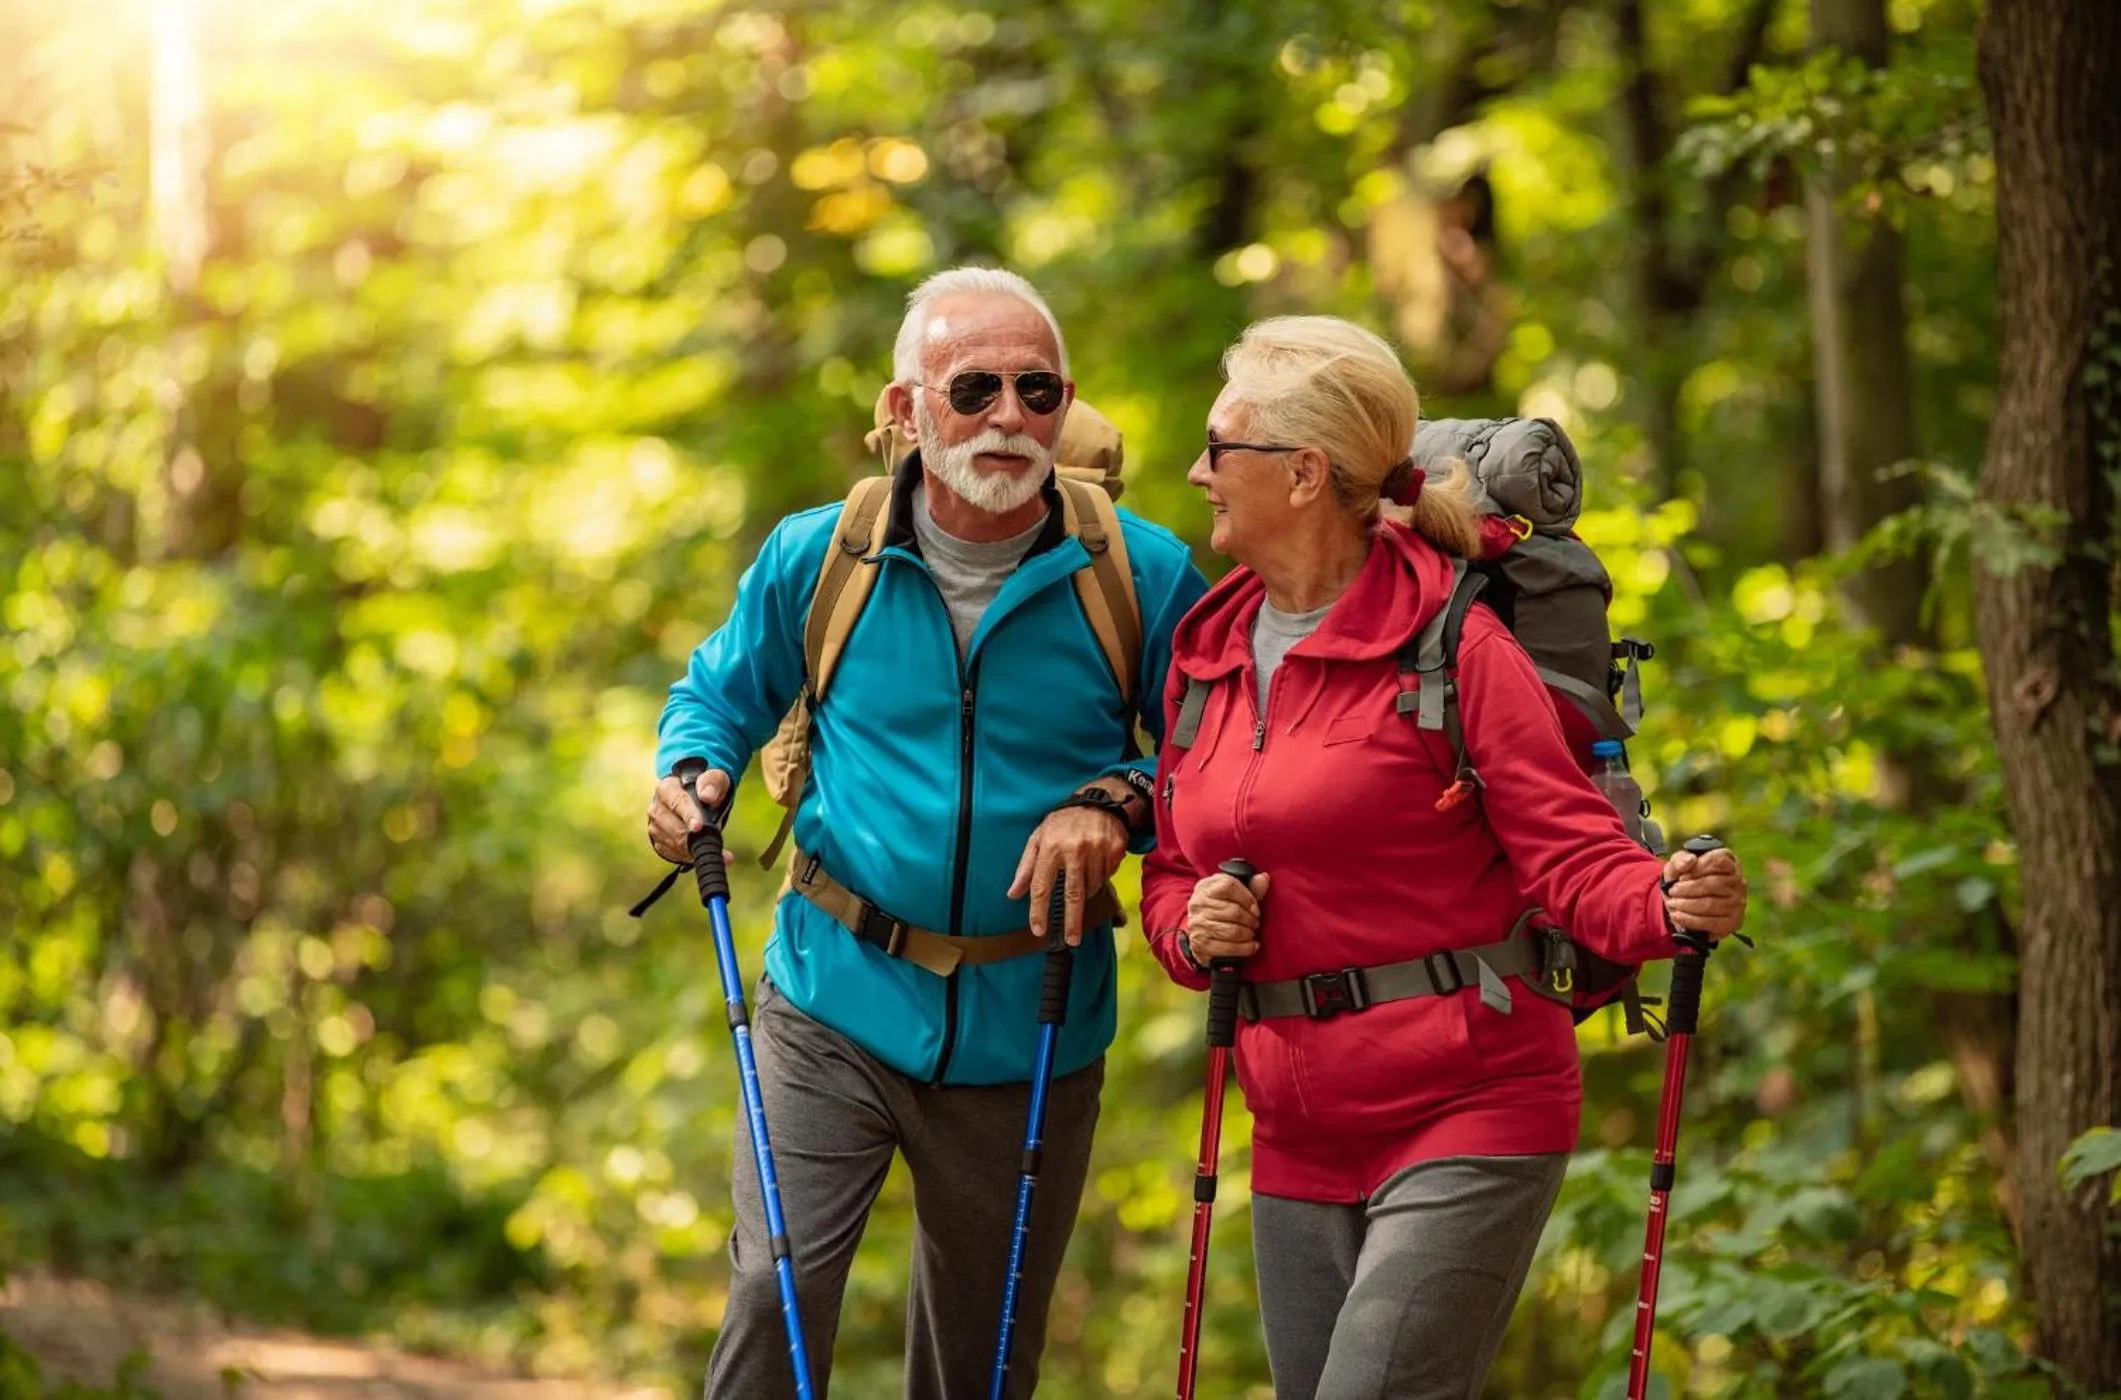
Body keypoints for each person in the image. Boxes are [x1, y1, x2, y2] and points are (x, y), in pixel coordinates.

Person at [1138, 315, 1750, 1400]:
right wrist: (1192, 928)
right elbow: (1173, 876)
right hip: (1297, 1133)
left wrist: (1665, 902)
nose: (1197, 472)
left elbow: (1571, 856)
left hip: (1468, 1105)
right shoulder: (1208, 656)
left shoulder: (1452, 642)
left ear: (1303, 472)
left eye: (1219, 448)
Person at [647, 266, 1208, 1399]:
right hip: (833, 992)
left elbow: (1220, 752)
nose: (1009, 416)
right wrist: (689, 771)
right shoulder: (823, 555)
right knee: (774, 1291)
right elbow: (716, 695)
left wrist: (1118, 801)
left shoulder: (1138, 573)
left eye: (1036, 389)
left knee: (983, 1359)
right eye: (975, 388)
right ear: (906, 411)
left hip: (1031, 1020)